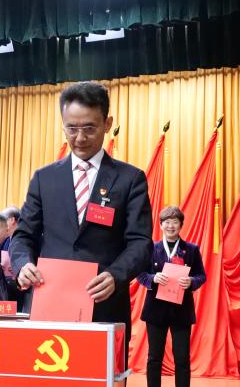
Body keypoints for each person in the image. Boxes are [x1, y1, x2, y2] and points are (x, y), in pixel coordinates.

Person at [10, 81, 153, 363]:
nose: (79, 138)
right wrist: (22, 264)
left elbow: (140, 243)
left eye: (89, 128)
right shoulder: (44, 178)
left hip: (104, 306)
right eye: (71, 129)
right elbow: (24, 235)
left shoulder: (130, 179)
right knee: (47, 385)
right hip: (48, 305)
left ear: (107, 123)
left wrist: (115, 276)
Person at [137, 206, 206, 387]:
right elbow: (140, 273)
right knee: (154, 358)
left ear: (181, 225)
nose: (170, 226)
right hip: (156, 310)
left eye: (175, 222)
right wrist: (152, 278)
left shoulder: (191, 249)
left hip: (181, 311)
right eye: (166, 222)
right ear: (160, 225)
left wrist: (191, 281)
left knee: (182, 358)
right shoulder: (151, 248)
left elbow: (201, 276)